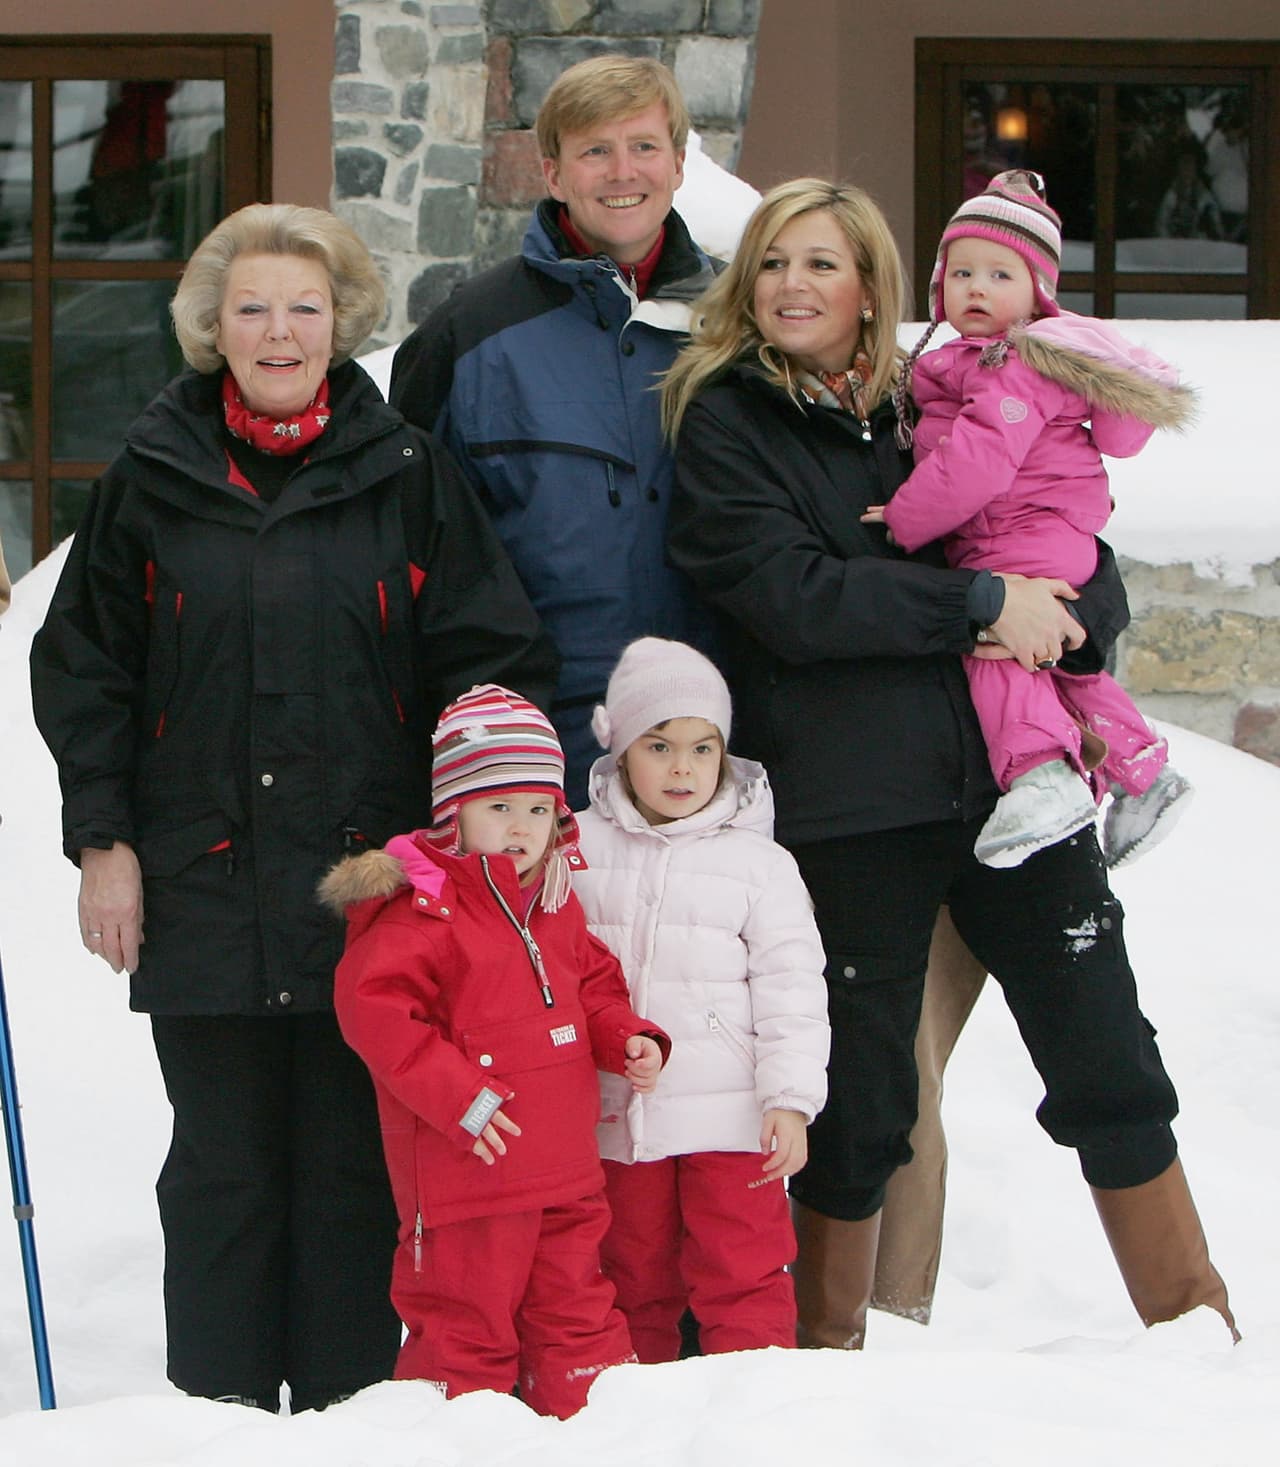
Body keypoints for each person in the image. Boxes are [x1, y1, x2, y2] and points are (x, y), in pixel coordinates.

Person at [662, 177, 1238, 1351]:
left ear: (871, 286)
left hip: (1015, 791)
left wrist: (1070, 618)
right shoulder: (728, 421)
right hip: (853, 803)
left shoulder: (936, 393)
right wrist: (977, 606)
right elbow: (789, 596)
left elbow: (1069, 543)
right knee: (861, 1092)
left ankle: (1192, 1325)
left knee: (1105, 1051)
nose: (791, 286)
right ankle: (825, 1357)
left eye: (820, 263)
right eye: (771, 262)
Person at [29, 203, 558, 1413]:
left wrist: (480, 831)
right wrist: (103, 842)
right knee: (221, 1175)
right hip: (201, 881)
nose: (280, 332)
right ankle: (215, 1424)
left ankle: (345, 1420)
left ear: (343, 323)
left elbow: (489, 659)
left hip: (369, 893)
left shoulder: (407, 474)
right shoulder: (151, 477)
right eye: (253, 308)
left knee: (350, 1174)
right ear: (213, 328)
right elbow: (84, 671)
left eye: (304, 308)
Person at [323, 684, 668, 1417]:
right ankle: (459, 1442)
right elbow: (374, 1011)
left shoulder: (552, 903)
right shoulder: (422, 913)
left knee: (580, 1332)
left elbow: (594, 982)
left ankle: (592, 1438)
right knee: (463, 1338)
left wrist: (625, 1036)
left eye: (538, 809)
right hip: (469, 1183)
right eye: (499, 807)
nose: (521, 827)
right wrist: (462, 1098)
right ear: (454, 814)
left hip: (565, 1173)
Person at [389, 55, 719, 806]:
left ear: (677, 163)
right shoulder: (467, 335)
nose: (622, 171)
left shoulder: (740, 318)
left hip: (716, 736)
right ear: (553, 173)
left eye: (643, 146)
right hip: (540, 750)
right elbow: (411, 555)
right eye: (594, 150)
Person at [866, 170, 1194, 870]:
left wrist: (905, 518)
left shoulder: (1014, 363)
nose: (976, 288)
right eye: (961, 273)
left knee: (995, 646)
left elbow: (978, 464)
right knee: (1058, 662)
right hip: (1040, 534)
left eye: (999, 274)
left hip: (1023, 535)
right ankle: (1143, 773)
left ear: (1037, 291)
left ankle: (1041, 777)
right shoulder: (966, 361)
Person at [572, 636, 828, 1361]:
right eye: (659, 746)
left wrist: (789, 1099)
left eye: (701, 747)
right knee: (630, 1276)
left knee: (744, 1273)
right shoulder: (576, 849)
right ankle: (634, 1406)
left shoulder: (760, 864)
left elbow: (793, 990)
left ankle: (755, 1407)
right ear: (621, 749)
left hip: (734, 1118)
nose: (682, 767)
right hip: (622, 1115)